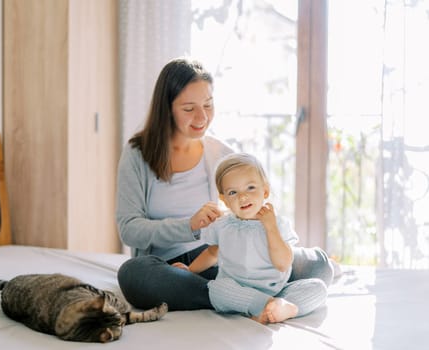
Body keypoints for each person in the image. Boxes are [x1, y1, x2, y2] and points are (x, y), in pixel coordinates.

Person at [116, 57, 333, 312]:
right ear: (167, 108)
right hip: (170, 267)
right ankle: (246, 298)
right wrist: (189, 227)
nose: (202, 117)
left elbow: (249, 201)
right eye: (189, 109)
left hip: (226, 258)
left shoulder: (221, 153)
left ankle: (244, 296)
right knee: (133, 275)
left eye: (208, 104)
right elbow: (129, 229)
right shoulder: (138, 153)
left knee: (318, 265)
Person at [172, 153, 327, 323]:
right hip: (238, 289)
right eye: (233, 192)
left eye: (250, 188)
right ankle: (266, 306)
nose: (243, 197)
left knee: (318, 287)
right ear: (224, 200)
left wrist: (270, 228)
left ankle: (284, 307)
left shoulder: (277, 223)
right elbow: (212, 254)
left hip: (276, 290)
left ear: (265, 191)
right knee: (216, 289)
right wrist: (190, 270)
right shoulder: (222, 226)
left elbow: (283, 264)